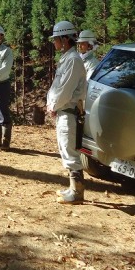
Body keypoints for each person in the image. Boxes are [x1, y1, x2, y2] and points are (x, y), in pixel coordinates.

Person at [46, 20, 88, 204]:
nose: (54, 42)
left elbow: (65, 90)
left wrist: (53, 106)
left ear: (64, 39)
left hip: (68, 112)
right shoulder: (67, 59)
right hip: (63, 110)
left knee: (69, 151)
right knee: (65, 149)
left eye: (56, 39)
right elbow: (57, 87)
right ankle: (73, 188)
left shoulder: (73, 60)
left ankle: (77, 192)